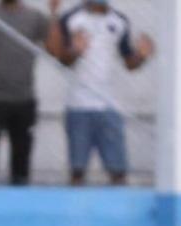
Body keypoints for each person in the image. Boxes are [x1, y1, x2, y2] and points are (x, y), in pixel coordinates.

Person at [0, 0, 62, 185]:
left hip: (24, 99)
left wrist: (54, 13)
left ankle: (20, 209)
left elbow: (54, 50)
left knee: (21, 166)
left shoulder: (35, 17)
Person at [56, 0, 153, 186]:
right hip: (78, 106)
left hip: (109, 106)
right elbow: (62, 60)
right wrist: (75, 51)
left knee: (118, 172)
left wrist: (141, 55)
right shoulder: (71, 18)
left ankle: (118, 211)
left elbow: (129, 63)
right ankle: (75, 211)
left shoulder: (119, 21)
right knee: (77, 172)